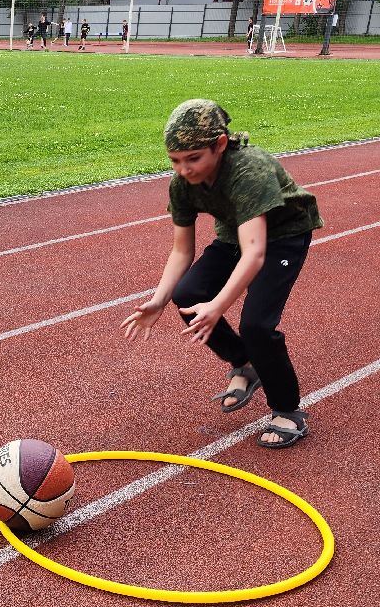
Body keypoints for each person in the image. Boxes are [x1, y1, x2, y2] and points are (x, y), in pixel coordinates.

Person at [121, 100, 323, 449]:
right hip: (236, 232)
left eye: (193, 158)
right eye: (175, 160)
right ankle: (246, 364)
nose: (184, 169)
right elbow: (182, 250)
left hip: (284, 236)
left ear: (220, 145)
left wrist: (217, 306)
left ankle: (288, 410)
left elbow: (256, 254)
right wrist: (158, 299)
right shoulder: (181, 185)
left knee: (257, 325)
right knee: (186, 295)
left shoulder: (249, 170)